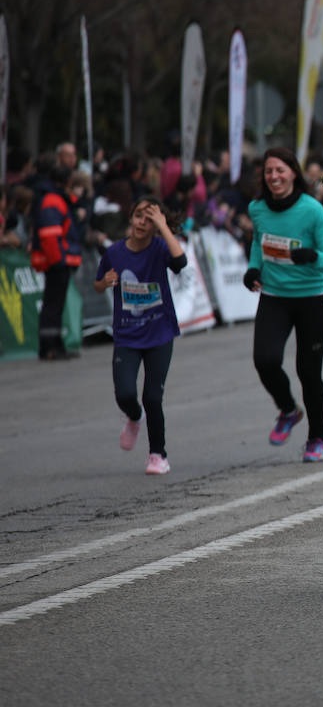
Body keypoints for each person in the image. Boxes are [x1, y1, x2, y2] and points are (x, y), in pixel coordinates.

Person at [243, 147, 323, 462]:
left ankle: (316, 437)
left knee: (308, 371)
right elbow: (260, 241)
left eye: (280, 170)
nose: (274, 177)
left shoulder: (312, 209)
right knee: (265, 360)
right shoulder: (257, 208)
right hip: (274, 297)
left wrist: (312, 256)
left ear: (293, 173)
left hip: (313, 298)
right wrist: (253, 268)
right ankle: (288, 409)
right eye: (269, 171)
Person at [92, 197, 186, 474]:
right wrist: (104, 283)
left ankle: (158, 455)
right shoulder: (115, 253)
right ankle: (134, 417)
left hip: (159, 332)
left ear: (157, 224)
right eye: (137, 216)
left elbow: (180, 261)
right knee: (124, 394)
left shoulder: (160, 248)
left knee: (153, 397)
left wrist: (163, 227)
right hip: (127, 336)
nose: (141, 223)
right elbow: (98, 284)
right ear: (130, 219)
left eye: (149, 219)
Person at [30, 163, 85, 360]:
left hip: (58, 259)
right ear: (66, 181)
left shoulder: (55, 199)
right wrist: (58, 260)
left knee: (54, 304)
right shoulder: (53, 200)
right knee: (53, 305)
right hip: (56, 261)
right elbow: (50, 234)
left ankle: (53, 346)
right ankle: (50, 348)